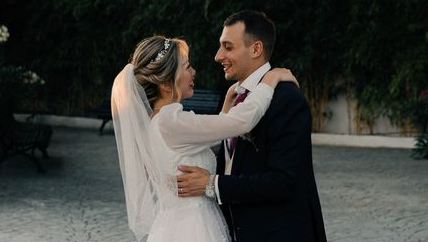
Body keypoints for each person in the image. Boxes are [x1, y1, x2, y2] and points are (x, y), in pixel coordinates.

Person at [111, 35, 296, 242]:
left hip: (174, 225)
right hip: (193, 230)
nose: (193, 73)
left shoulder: (157, 123)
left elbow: (214, 134)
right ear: (165, 84)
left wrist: (228, 100)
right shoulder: (170, 122)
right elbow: (241, 123)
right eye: (187, 67)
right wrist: (270, 80)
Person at [176, 10, 327, 242]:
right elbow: (231, 162)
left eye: (228, 47)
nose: (218, 56)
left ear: (256, 49)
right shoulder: (235, 98)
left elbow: (284, 180)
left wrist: (212, 184)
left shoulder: (286, 99)